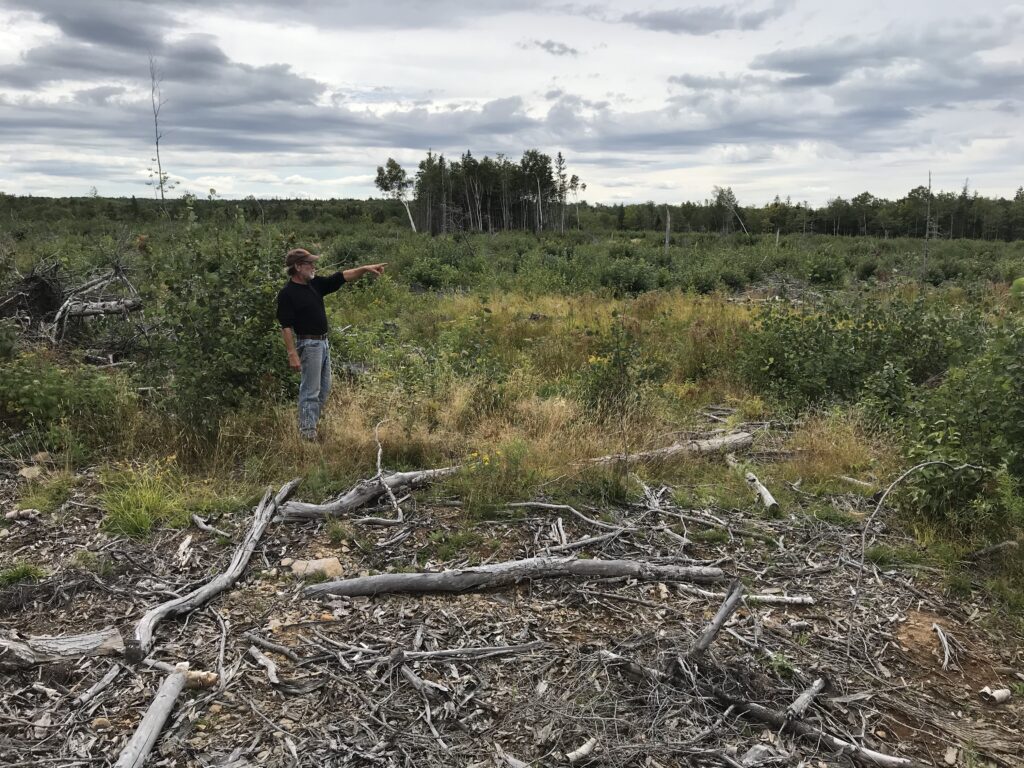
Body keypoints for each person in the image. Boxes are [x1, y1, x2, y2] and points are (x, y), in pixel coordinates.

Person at [276, 248, 386, 440]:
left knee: (324, 388)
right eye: (309, 263)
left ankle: (310, 425)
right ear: (298, 267)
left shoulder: (315, 284)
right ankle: (307, 433)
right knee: (310, 390)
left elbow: (341, 277)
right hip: (309, 344)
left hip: (323, 343)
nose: (314, 266)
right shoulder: (288, 293)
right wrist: (292, 353)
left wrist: (365, 269)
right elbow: (285, 326)